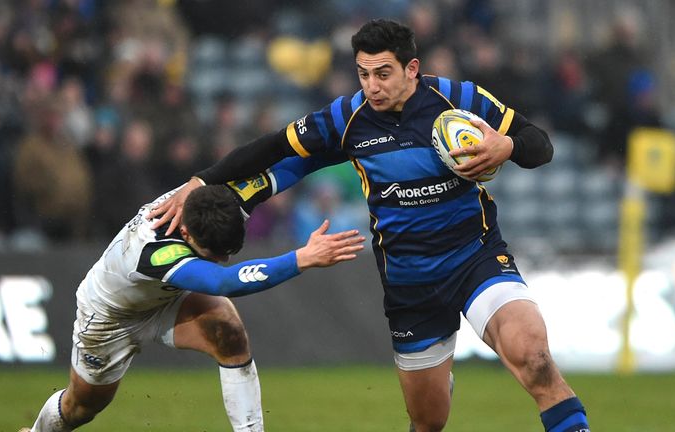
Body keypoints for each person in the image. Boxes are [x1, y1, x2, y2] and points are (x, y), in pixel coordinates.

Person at [150, 19, 590, 432]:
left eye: (383, 73)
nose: (372, 86)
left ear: (411, 68)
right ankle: (436, 384)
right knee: (428, 421)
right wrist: (202, 180)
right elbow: (273, 147)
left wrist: (507, 145)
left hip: (475, 257)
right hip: (409, 280)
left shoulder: (460, 98)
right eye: (363, 74)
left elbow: (540, 146)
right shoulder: (347, 117)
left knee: (533, 358)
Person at [20, 184, 365, 432]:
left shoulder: (206, 201)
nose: (221, 260)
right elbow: (223, 282)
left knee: (229, 332)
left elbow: (270, 161)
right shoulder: (155, 250)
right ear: (185, 232)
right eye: (213, 254)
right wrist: (301, 258)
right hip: (111, 319)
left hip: (164, 297)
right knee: (82, 408)